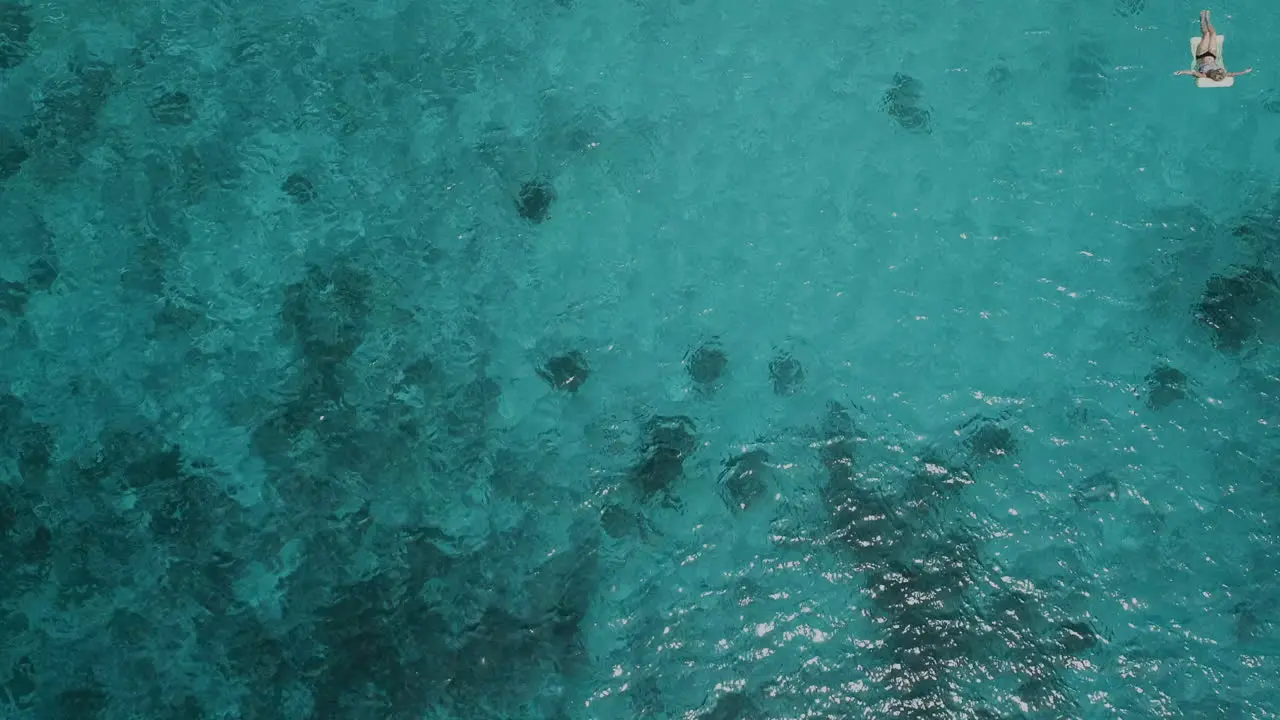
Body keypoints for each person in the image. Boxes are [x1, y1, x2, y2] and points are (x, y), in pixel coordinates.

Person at [1176, 10, 1252, 81]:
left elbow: (1193, 72)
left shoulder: (1204, 75)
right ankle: (1208, 20)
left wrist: (1182, 72)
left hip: (1201, 55)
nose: (1218, 70)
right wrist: (1244, 72)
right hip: (1212, 54)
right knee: (1213, 34)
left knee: (1206, 34)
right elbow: (1232, 74)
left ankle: (1202, 19)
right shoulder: (1221, 74)